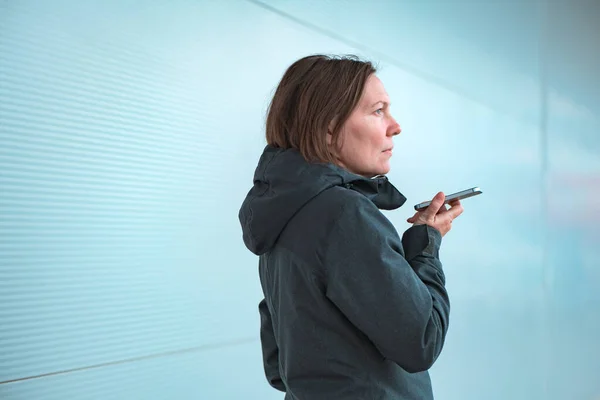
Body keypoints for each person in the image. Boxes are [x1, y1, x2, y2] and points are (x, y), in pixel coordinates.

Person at [238, 54, 464, 399]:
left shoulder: (284, 214)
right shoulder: (344, 213)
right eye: (378, 111)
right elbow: (422, 341)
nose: (395, 126)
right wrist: (426, 248)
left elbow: (279, 366)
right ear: (329, 128)